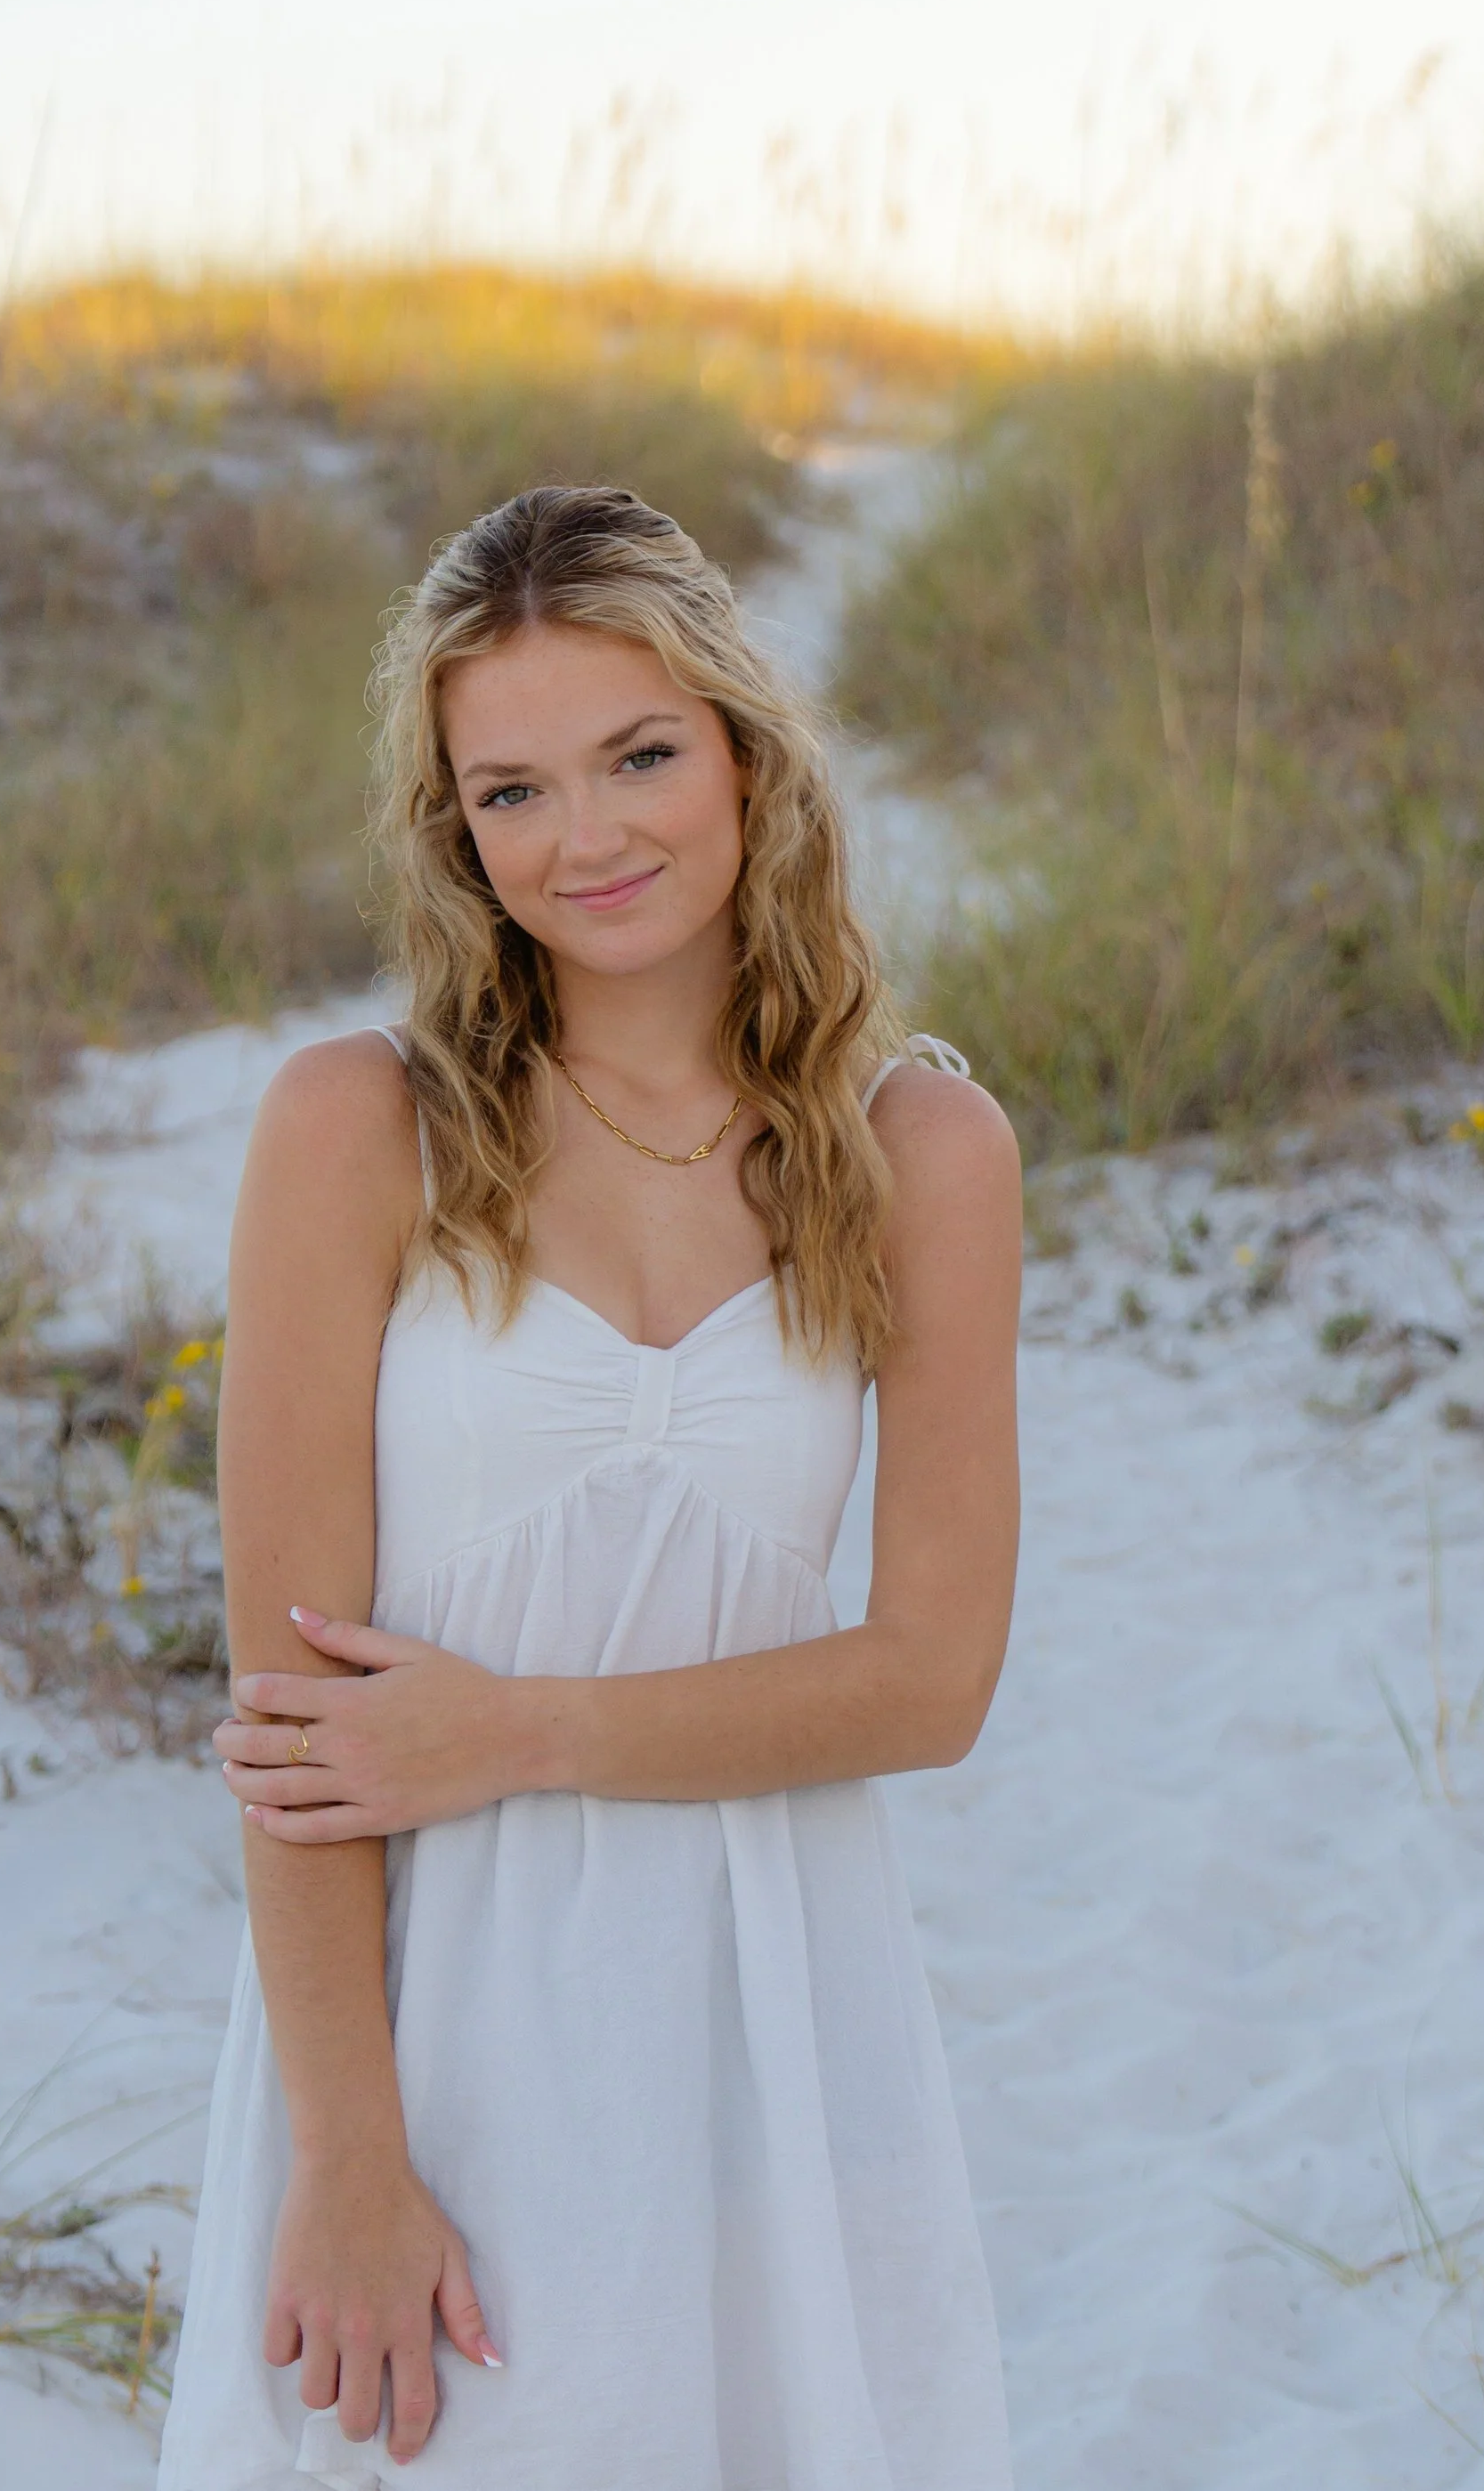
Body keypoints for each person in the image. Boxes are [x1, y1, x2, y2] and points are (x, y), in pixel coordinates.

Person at [155, 483, 1021, 2491]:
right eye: (512, 789)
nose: (590, 835)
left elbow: (931, 1679)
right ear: (453, 828)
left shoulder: (920, 1150)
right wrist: (348, 2157)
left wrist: (512, 1724)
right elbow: (295, 1731)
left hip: (768, 2013)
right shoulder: (354, 1128)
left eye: (638, 753)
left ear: (742, 750)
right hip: (426, 2019)